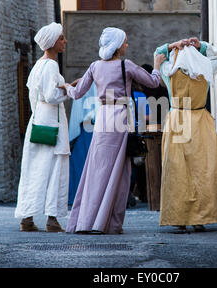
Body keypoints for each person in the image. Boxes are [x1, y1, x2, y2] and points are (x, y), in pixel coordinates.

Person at [62, 27, 166, 234]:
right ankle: (109, 223)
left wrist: (65, 86)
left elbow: (76, 93)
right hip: (120, 117)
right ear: (118, 46)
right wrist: (156, 65)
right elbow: (154, 82)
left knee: (97, 169)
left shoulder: (94, 66)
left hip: (102, 118)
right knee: (120, 172)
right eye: (125, 42)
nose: (127, 45)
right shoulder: (125, 65)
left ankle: (86, 221)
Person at [155, 37, 217, 232]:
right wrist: (200, 46)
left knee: (177, 170)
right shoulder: (204, 71)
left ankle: (178, 218)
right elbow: (215, 55)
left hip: (178, 121)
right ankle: (200, 218)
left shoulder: (169, 72)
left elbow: (158, 53)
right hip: (200, 120)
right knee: (202, 169)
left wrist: (173, 45)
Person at [14, 22, 71, 233]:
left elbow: (36, 96)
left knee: (35, 169)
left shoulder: (38, 65)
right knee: (55, 168)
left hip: (38, 121)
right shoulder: (51, 66)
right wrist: (68, 88)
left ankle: (27, 217)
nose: (65, 41)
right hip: (52, 124)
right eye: (62, 38)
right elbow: (51, 95)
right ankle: (52, 219)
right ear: (53, 42)